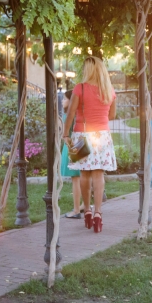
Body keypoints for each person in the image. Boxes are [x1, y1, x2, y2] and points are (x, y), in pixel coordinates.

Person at [62, 56, 117, 233]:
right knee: (98, 174)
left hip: (80, 134)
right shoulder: (109, 90)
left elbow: (70, 114)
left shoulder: (80, 88)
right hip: (102, 135)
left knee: (84, 174)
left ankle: (86, 210)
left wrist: (65, 134)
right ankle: (98, 213)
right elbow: (112, 115)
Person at [61, 90, 83, 219]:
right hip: (81, 143)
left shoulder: (68, 115)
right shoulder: (79, 113)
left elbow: (66, 133)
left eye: (65, 99)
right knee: (83, 177)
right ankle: (84, 205)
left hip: (72, 145)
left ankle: (76, 210)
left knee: (75, 179)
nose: (62, 101)